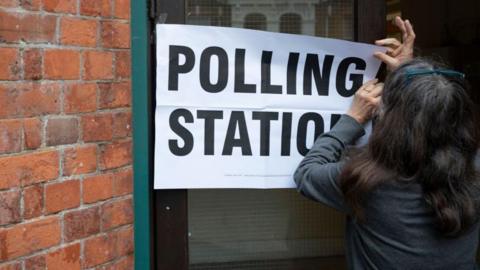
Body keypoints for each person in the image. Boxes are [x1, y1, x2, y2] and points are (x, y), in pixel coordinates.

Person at [294, 16, 480, 270]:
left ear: (392, 120)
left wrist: (352, 119)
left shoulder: (368, 179)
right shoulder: (474, 170)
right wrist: (407, 78)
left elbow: (307, 174)